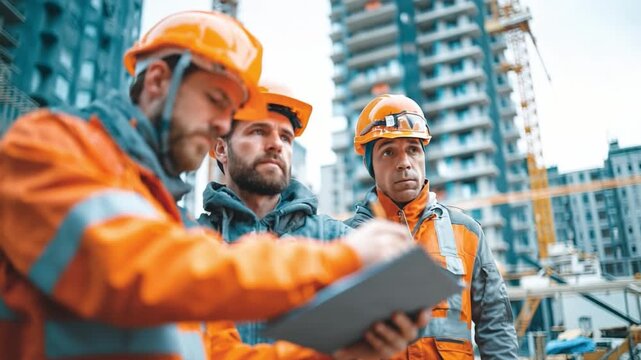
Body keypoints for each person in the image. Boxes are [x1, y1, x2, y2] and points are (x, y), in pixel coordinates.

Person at [0, 12, 414, 359]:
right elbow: (128, 267)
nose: (222, 123)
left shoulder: (169, 222)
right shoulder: (43, 147)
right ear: (159, 80)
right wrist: (339, 260)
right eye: (217, 100)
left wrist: (337, 353)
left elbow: (223, 354)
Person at [201, 85, 430, 359]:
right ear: (221, 149)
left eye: (286, 137)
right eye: (258, 131)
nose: (276, 144)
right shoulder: (194, 240)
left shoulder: (337, 238)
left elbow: (402, 309)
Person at [345, 94, 519, 359]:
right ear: (371, 165)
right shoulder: (348, 240)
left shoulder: (467, 232)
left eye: (413, 149)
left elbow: (496, 324)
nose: (404, 162)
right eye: (388, 152)